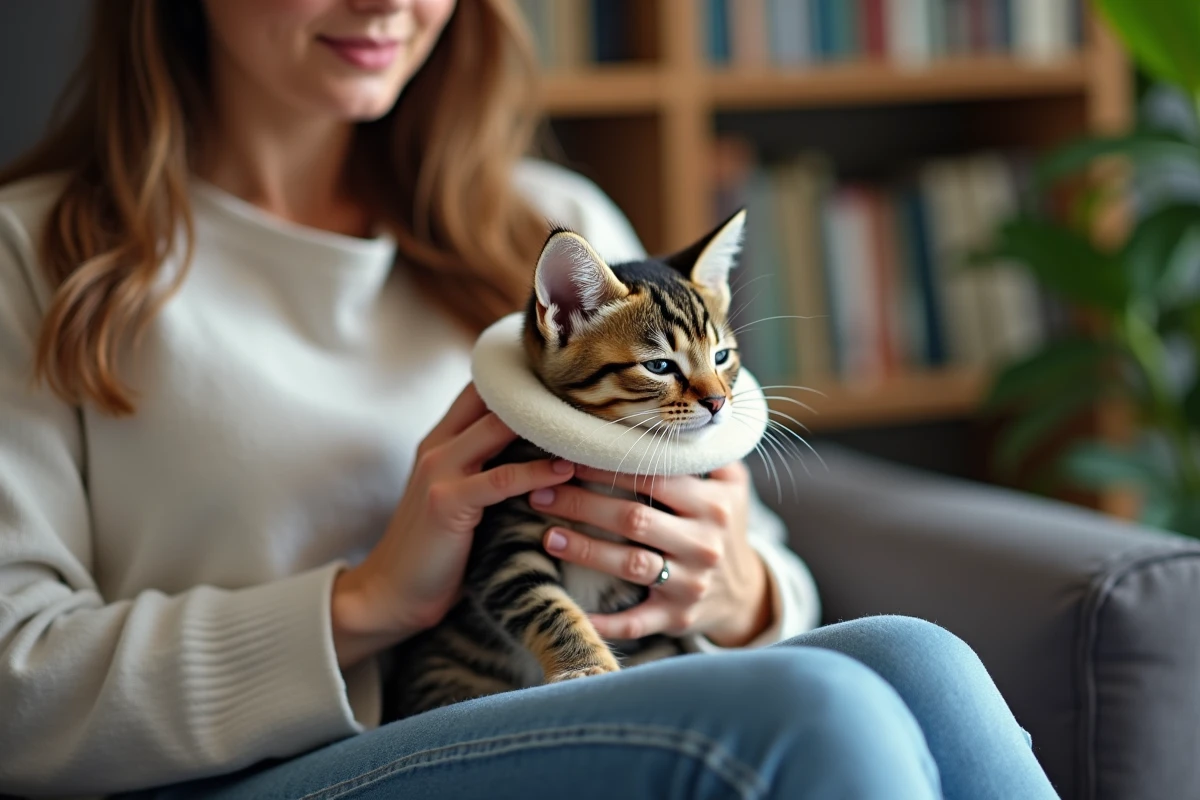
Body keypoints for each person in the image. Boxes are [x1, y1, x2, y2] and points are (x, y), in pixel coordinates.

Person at [0, 1, 1057, 798]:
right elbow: (16, 689)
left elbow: (765, 568)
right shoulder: (34, 253)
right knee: (809, 707)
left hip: (564, 688)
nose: (386, 6)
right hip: (264, 766)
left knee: (918, 655)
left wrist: (726, 581)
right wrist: (365, 600)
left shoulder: (551, 221)